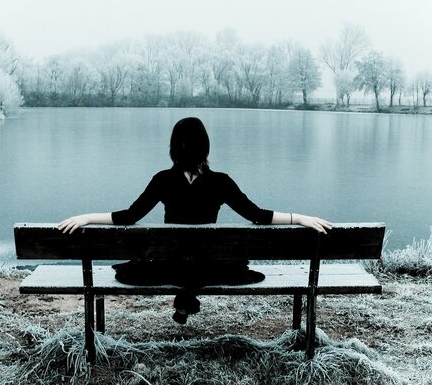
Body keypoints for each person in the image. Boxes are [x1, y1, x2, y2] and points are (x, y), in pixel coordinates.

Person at [59, 117, 332, 324]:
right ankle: (188, 293)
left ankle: (186, 294)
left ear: (173, 148)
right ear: (206, 147)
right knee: (223, 268)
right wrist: (301, 219)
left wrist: (86, 218)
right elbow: (258, 216)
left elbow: (128, 217)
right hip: (210, 264)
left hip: (170, 265)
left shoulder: (162, 180)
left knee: (130, 271)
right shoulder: (221, 182)